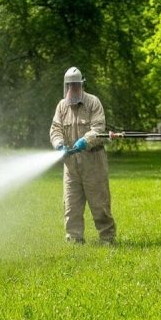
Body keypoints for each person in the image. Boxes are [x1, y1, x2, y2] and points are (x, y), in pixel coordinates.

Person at [49, 67, 116, 244]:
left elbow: (98, 128)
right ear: (66, 86)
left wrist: (84, 141)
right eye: (69, 85)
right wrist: (59, 144)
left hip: (93, 162)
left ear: (81, 84)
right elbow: (55, 129)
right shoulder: (62, 106)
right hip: (71, 166)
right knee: (71, 206)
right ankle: (74, 239)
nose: (73, 88)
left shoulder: (93, 102)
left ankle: (107, 238)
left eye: (76, 85)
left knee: (100, 203)